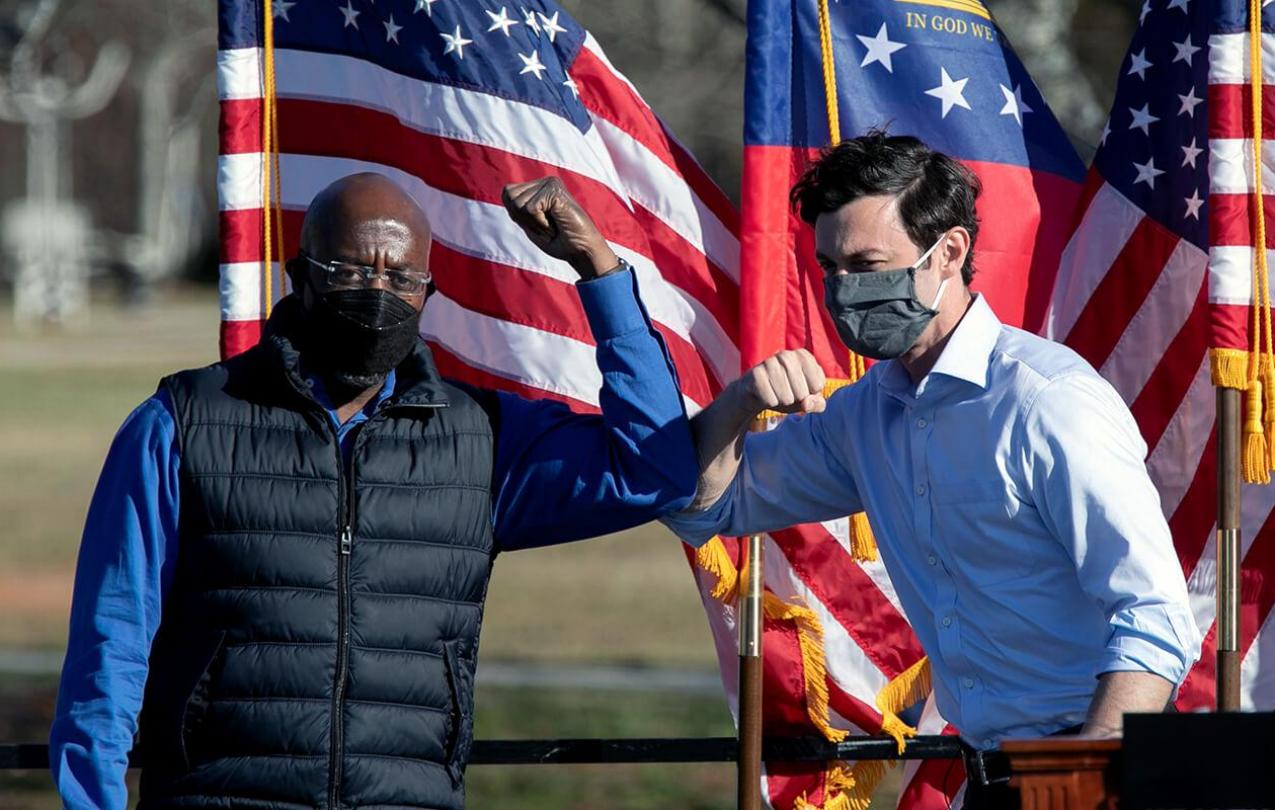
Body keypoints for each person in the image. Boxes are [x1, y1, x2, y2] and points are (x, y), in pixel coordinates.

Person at [50, 173, 698, 810]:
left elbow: (654, 469)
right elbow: (112, 646)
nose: (377, 292)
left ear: (427, 293)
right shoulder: (182, 423)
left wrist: (597, 268)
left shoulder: (482, 439)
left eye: (401, 279)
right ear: (299, 275)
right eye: (350, 271)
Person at [663, 132, 1201, 804]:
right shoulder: (862, 416)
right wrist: (740, 402)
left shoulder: (1044, 401)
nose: (845, 290)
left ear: (948, 252)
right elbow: (703, 505)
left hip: (1103, 773)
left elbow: (1153, 614)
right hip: (987, 778)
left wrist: (1086, 775)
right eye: (830, 269)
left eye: (868, 264)